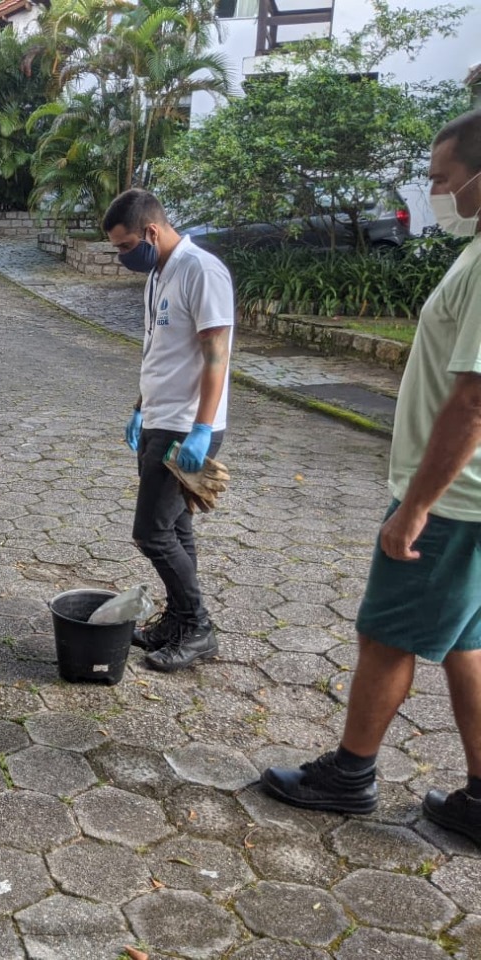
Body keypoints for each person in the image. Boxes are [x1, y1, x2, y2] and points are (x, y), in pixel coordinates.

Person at [261, 109, 481, 835]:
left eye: (443, 180)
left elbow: (474, 400)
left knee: (384, 635)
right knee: (465, 643)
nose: (435, 192)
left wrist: (414, 507)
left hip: (452, 502)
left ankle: (350, 774)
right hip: (468, 501)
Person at [104, 188, 234, 672]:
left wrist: (202, 429)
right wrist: (140, 406)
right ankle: (178, 621)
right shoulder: (160, 273)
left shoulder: (201, 270)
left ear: (151, 232)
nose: (122, 256)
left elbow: (215, 354)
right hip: (160, 418)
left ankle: (198, 627)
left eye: (124, 246)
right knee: (176, 529)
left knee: (152, 534)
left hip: (185, 427)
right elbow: (161, 349)